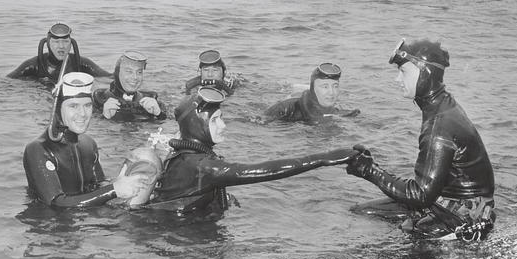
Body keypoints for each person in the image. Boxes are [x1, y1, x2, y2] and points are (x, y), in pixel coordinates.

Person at [346, 38, 495, 241]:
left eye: (404, 72)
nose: (397, 80)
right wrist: (372, 167)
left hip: (464, 218)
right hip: (467, 206)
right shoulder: (445, 105)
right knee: (362, 211)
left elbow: (420, 195)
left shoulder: (438, 125)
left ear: (425, 73)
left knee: (399, 249)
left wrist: (369, 170)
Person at [132, 87, 357, 215]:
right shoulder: (201, 166)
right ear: (197, 125)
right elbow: (261, 171)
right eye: (216, 120)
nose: (223, 126)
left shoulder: (184, 155)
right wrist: (324, 158)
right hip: (186, 242)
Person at [23, 72, 150, 208]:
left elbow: (97, 186)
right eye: (73, 106)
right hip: (52, 225)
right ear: (57, 109)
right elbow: (56, 203)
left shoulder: (88, 144)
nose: (83, 114)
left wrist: (121, 184)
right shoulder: (38, 150)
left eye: (87, 105)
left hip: (85, 221)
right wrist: (114, 190)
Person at [7, 22, 112, 85]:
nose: (61, 46)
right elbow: (7, 82)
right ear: (48, 44)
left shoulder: (81, 63)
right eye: (56, 42)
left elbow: (109, 77)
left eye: (65, 42)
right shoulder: (33, 65)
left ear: (71, 44)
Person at [264, 62, 359, 123]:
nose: (331, 92)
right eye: (325, 86)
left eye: (335, 86)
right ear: (313, 88)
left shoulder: (342, 113)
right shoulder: (286, 108)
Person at [92, 51, 166, 121]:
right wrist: (104, 117)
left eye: (139, 72)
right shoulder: (99, 99)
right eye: (129, 71)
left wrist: (159, 114)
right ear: (117, 73)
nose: (135, 77)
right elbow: (90, 127)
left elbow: (171, 124)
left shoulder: (152, 99)